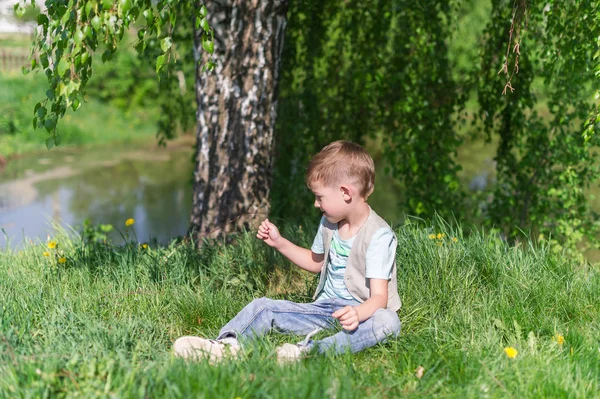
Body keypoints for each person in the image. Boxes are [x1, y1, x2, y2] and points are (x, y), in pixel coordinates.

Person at [173, 140, 401, 363]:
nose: (316, 204)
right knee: (262, 306)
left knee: (388, 321)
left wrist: (358, 314)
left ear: (345, 192)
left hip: (362, 314)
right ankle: (227, 347)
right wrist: (279, 242)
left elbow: (379, 298)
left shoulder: (378, 235)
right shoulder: (329, 222)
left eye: (319, 197)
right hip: (323, 311)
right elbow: (315, 262)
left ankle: (311, 352)